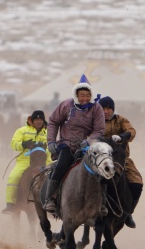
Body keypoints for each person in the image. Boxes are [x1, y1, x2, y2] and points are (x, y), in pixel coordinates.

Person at [42, 75, 105, 214]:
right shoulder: (66, 105)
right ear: (76, 94)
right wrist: (51, 141)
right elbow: (53, 122)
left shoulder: (96, 108)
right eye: (82, 95)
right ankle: (50, 199)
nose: (85, 98)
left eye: (88, 95)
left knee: (101, 168)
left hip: (87, 146)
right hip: (67, 145)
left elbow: (99, 129)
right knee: (61, 167)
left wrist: (88, 141)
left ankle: (102, 202)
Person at [98, 96, 142, 229]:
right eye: (102, 109)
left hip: (121, 159)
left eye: (108, 108)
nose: (105, 111)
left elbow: (132, 131)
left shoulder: (120, 120)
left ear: (112, 109)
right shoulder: (95, 121)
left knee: (137, 183)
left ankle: (128, 213)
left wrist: (122, 136)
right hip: (100, 160)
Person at [2, 110, 52, 214]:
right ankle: (10, 204)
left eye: (40, 119)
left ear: (43, 120)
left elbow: (51, 146)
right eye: (36, 119)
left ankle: (51, 204)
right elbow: (13, 144)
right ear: (32, 120)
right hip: (24, 161)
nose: (38, 122)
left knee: (53, 178)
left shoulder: (48, 132)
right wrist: (23, 144)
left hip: (44, 160)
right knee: (13, 177)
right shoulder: (22, 131)